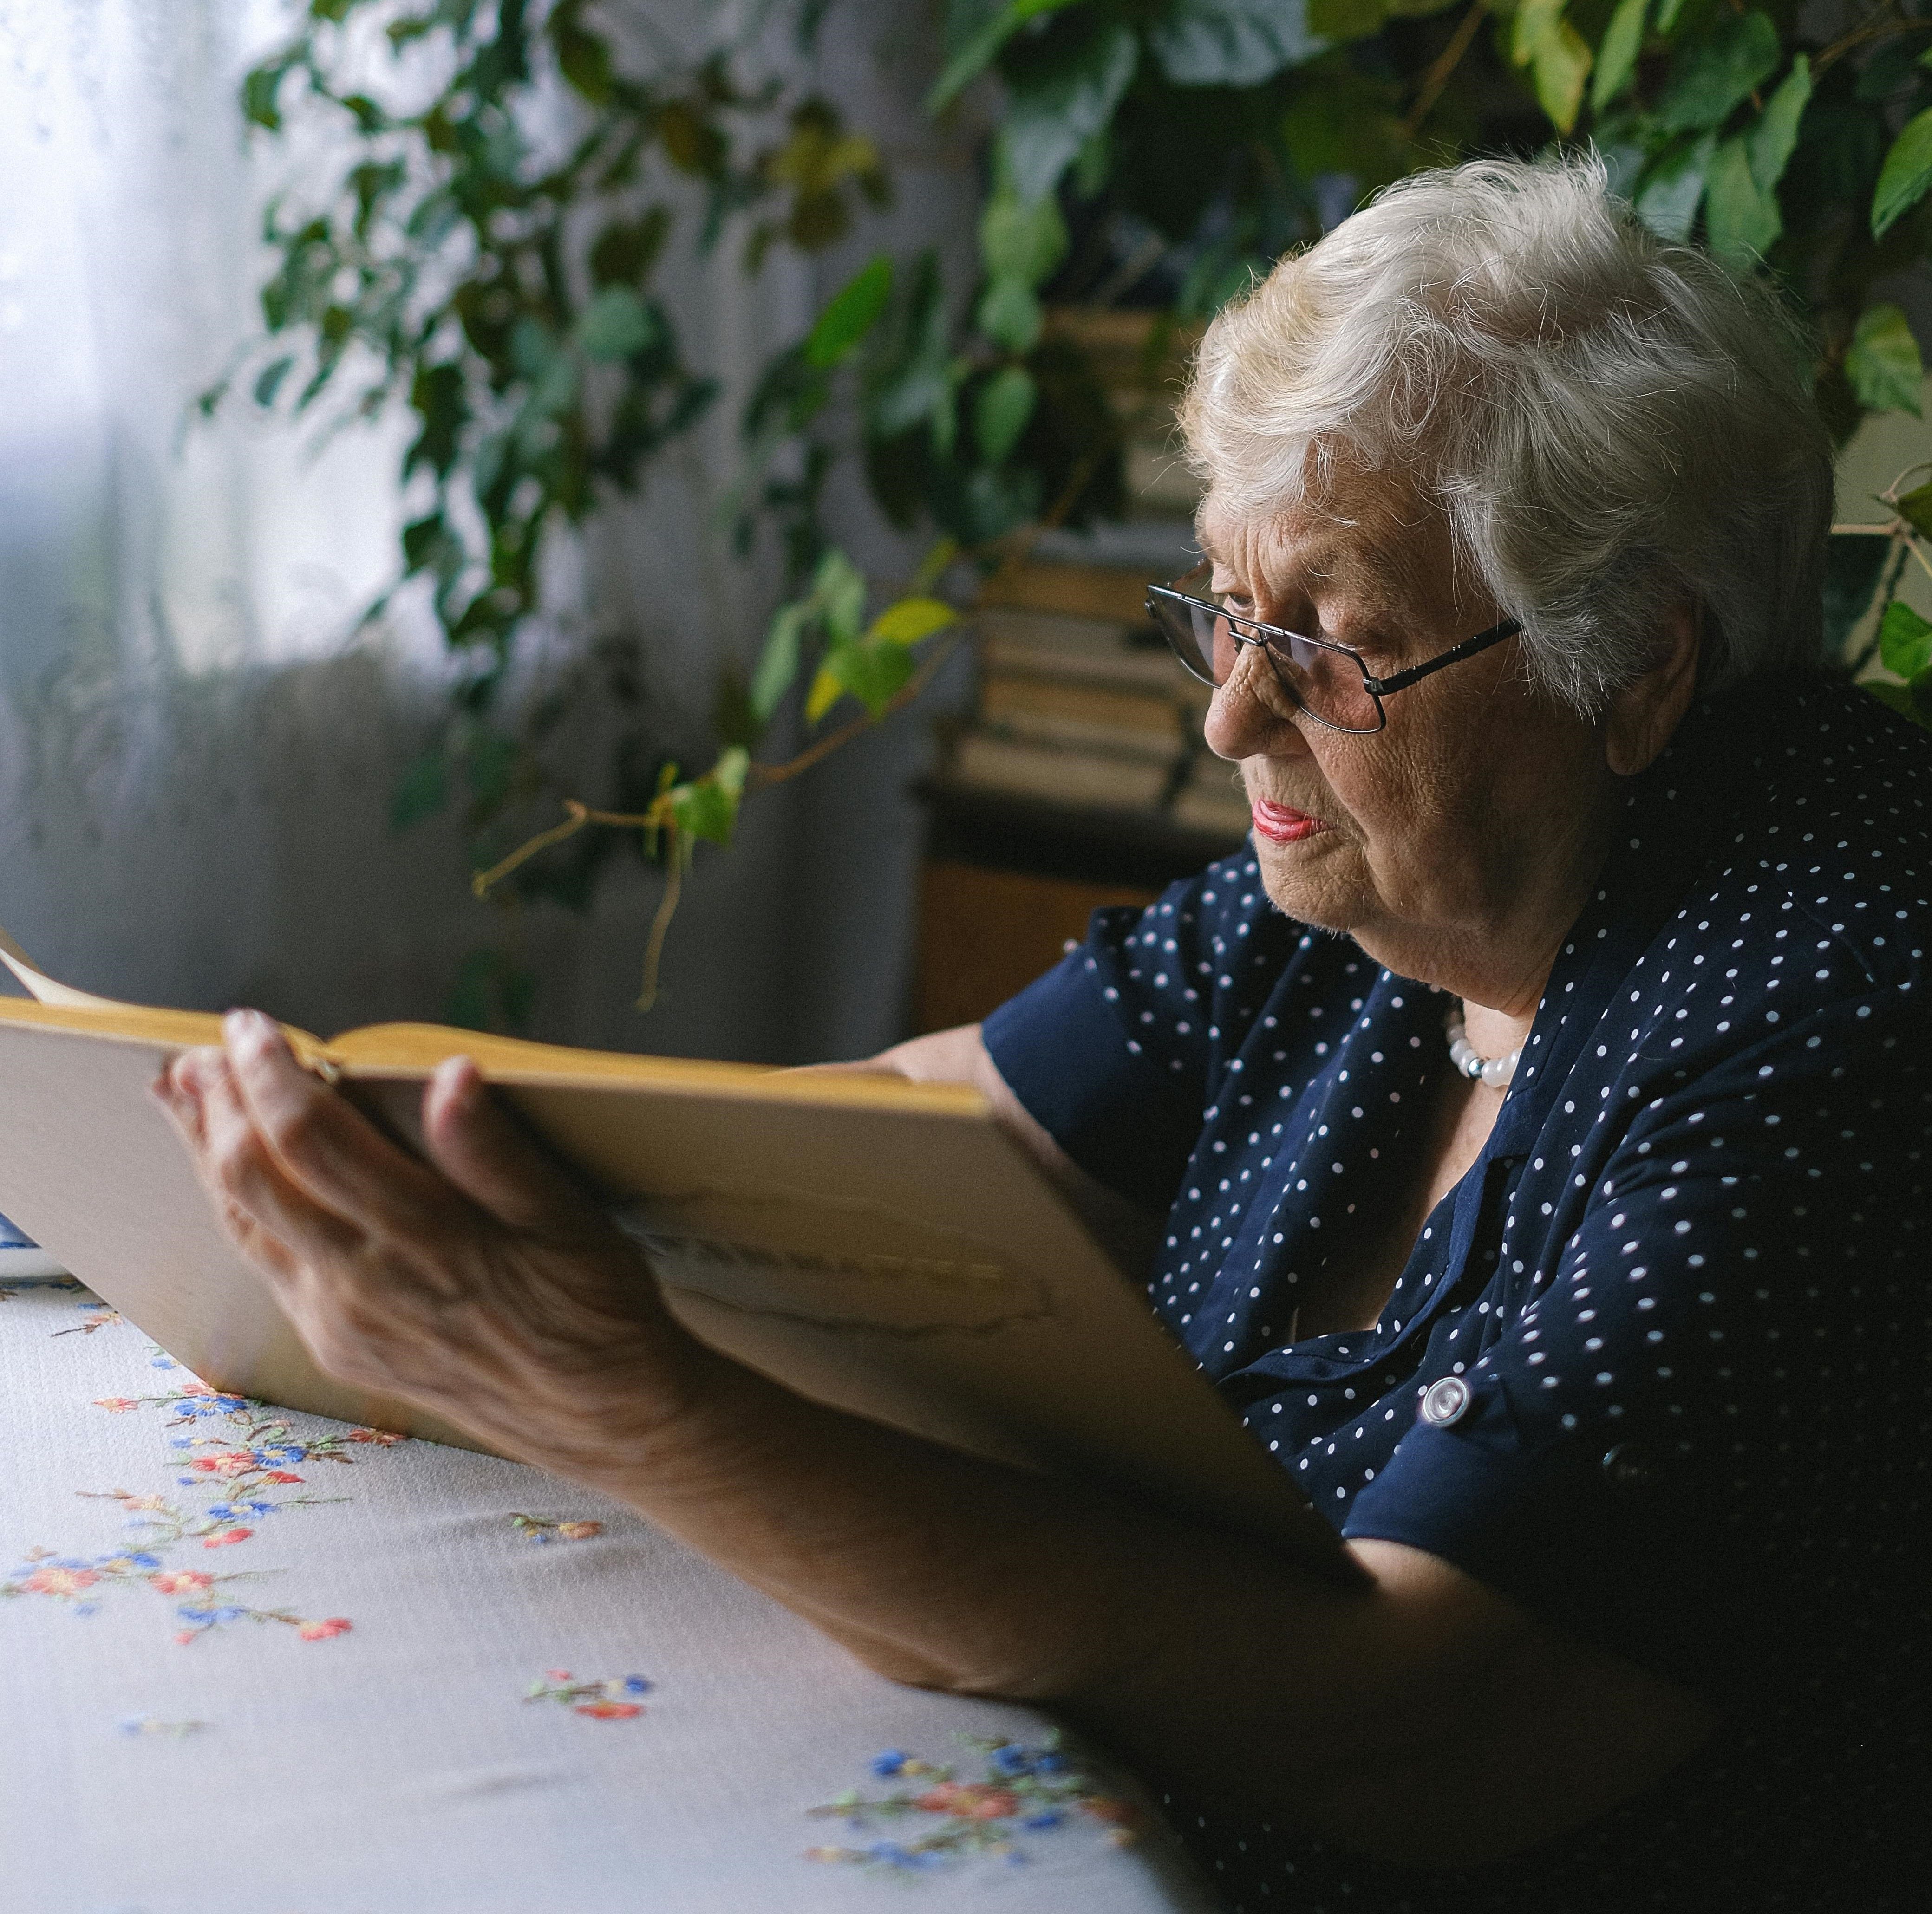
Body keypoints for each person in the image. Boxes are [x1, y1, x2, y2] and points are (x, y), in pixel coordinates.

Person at [155, 156, 1930, 1912]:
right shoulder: (1398, 880)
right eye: (1226, 614)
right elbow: (917, 1139)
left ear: (1633, 668)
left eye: (1330, 643)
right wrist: (385, 1152)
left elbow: (1419, 1731)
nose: (1235, 714)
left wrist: (616, 1398)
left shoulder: (1832, 1015)